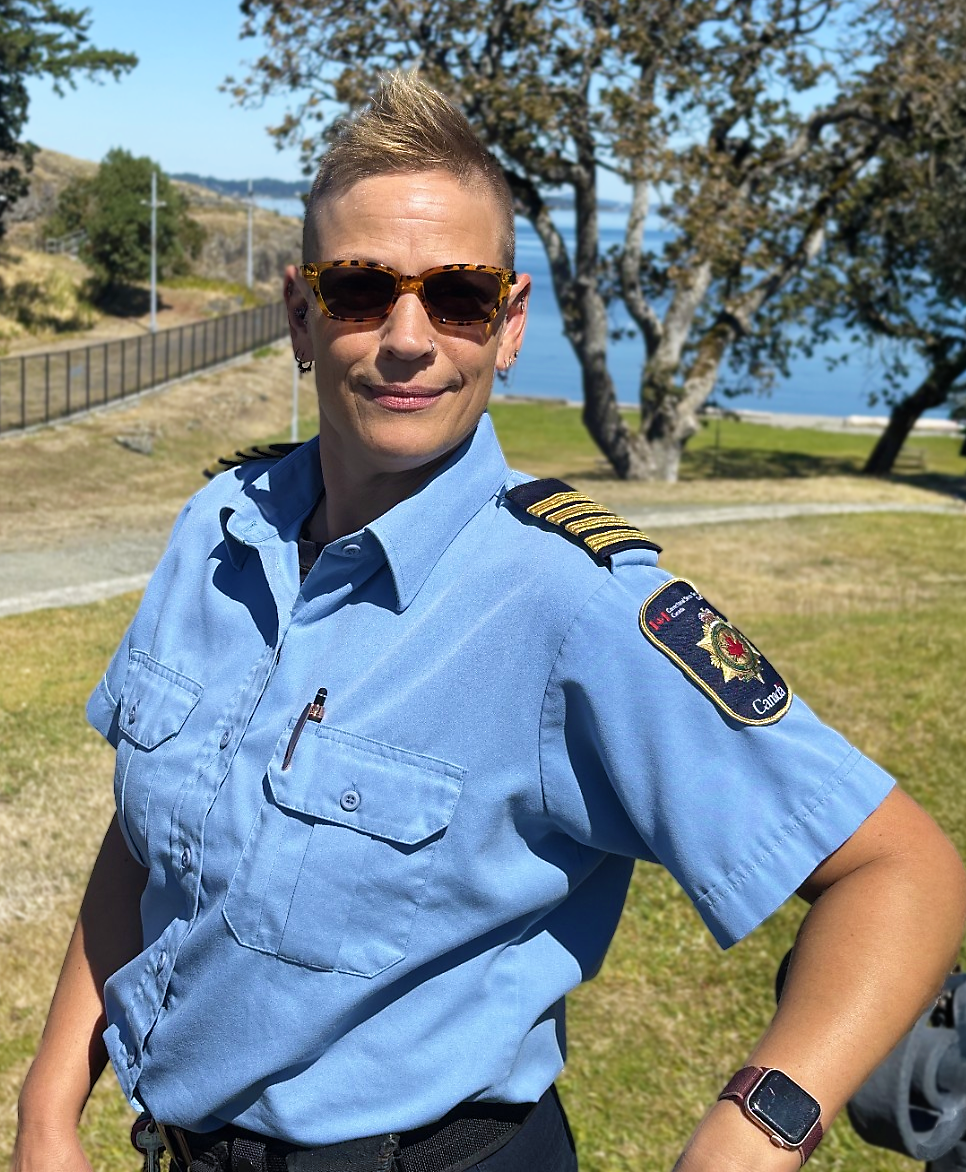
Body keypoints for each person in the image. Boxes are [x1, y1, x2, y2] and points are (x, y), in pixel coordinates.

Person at [12, 73, 966, 1172]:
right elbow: (153, 836)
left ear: (508, 326)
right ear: (300, 315)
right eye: (364, 289)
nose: (410, 338)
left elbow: (903, 873)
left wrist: (746, 1139)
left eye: (457, 297)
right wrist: (50, 1100)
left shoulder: (576, 604)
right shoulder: (219, 532)